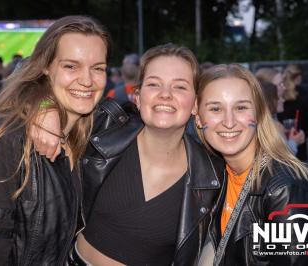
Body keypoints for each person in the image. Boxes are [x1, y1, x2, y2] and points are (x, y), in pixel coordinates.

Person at [31, 43, 222, 265]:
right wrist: (46, 109)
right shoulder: (101, 130)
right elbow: (37, 84)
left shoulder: (213, 174)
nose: (165, 95)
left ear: (195, 105)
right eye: (153, 84)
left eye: (179, 87)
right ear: (138, 97)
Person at [0, 15, 111, 265]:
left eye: (98, 68)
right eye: (71, 66)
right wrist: (42, 100)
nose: (88, 80)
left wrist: (43, 102)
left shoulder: (93, 135)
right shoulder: (5, 138)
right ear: (46, 68)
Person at [195, 64, 308, 265]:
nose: (229, 122)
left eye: (241, 107)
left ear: (260, 113)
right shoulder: (213, 173)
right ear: (198, 116)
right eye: (215, 108)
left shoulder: (284, 189)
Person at [278, 64, 308, 162]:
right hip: (299, 141)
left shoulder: (279, 91)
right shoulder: (304, 95)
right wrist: (306, 132)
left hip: (278, 140)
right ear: (298, 77)